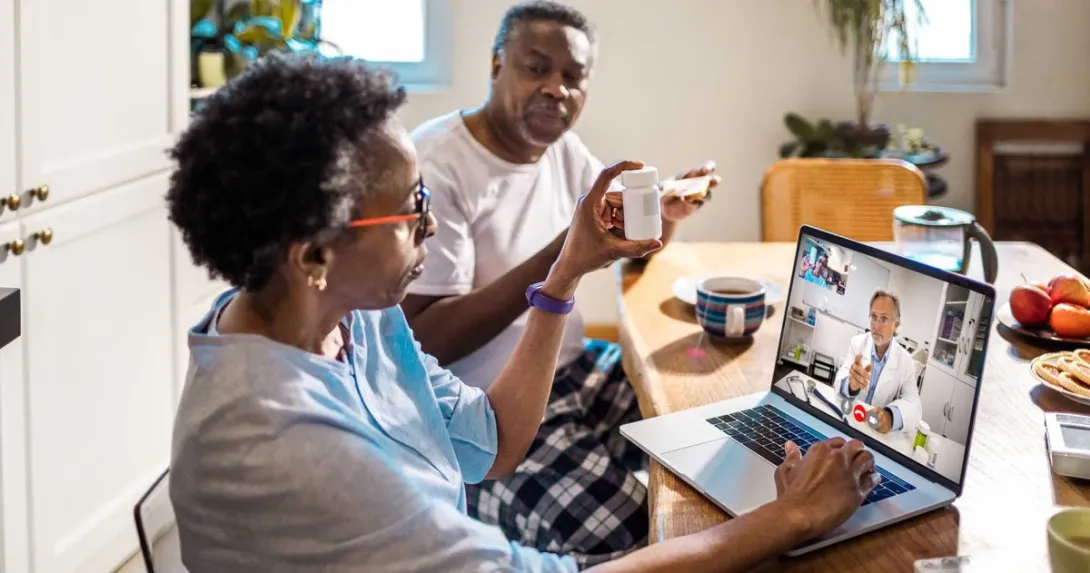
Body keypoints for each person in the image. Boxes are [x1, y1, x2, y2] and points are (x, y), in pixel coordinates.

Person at [164, 53, 879, 573]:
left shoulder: (349, 316)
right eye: (412, 209)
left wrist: (566, 270)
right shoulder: (285, 443)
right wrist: (789, 516)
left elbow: (492, 441)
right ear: (315, 253)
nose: (430, 224)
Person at [400, 2, 716, 562]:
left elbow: (601, 244)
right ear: (496, 64)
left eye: (574, 76)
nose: (556, 88)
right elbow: (424, 338)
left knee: (704, 427)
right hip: (487, 412)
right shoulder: (438, 165)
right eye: (537, 68)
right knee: (633, 527)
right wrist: (562, 254)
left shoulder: (563, 150)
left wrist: (663, 217)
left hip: (573, 369)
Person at [836, 289, 923, 435]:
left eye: (884, 319)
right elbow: (840, 378)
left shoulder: (906, 361)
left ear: (896, 325)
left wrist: (891, 417)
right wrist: (851, 385)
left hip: (876, 432)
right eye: (874, 317)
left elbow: (914, 404)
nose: (876, 326)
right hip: (849, 419)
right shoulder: (857, 343)